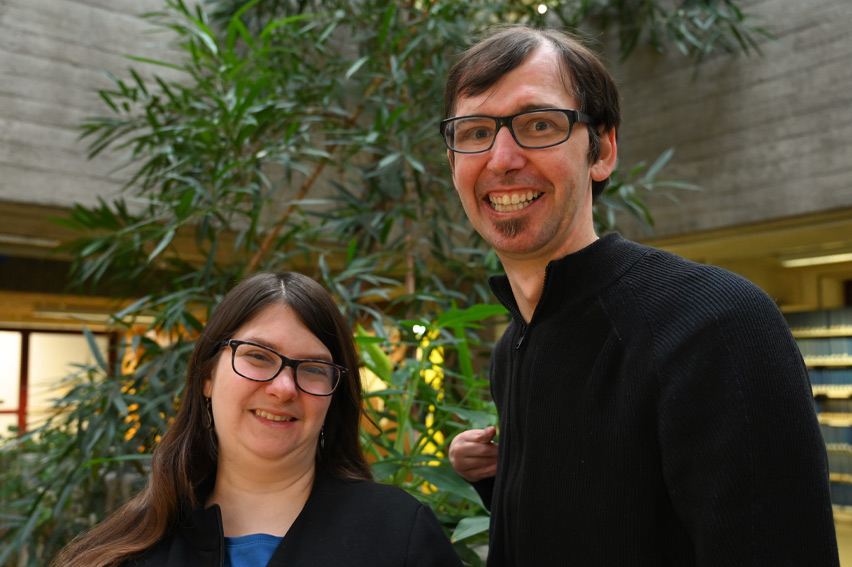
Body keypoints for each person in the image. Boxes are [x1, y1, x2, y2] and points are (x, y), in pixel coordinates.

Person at [442, 25, 840, 566]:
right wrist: (502, 476)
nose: (501, 157)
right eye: (474, 131)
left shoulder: (716, 324)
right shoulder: (515, 347)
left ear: (601, 150)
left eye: (538, 124)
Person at [51, 272, 463, 567]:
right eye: (258, 357)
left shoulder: (397, 532)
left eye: (314, 368)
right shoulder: (126, 552)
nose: (284, 388)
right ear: (208, 376)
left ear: (333, 398)